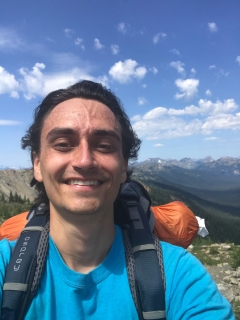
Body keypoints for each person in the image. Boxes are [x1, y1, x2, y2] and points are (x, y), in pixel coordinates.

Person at [0, 81, 235, 319]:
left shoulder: (177, 275)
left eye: (104, 146)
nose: (84, 161)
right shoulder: (5, 266)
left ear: (124, 166)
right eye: (63, 144)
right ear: (37, 164)